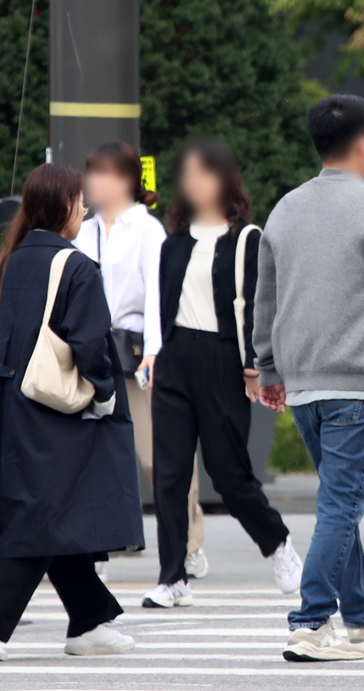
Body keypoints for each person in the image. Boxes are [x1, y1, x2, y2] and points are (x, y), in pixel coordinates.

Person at [0, 163, 144, 661]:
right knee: (50, 513)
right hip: (55, 414)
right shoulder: (75, 266)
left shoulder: (6, 264)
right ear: (65, 208)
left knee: (55, 510)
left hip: (2, 411)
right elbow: (92, 348)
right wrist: (104, 397)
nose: (83, 211)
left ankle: (90, 620)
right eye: (80, 203)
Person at [254, 95, 364, 662]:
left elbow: (265, 298)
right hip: (354, 380)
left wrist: (268, 368)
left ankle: (363, 619)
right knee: (342, 507)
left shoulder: (285, 209)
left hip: (301, 380)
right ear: (363, 142)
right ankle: (309, 620)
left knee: (337, 504)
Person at [143, 139, 302, 609]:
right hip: (174, 361)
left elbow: (256, 304)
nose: (192, 182)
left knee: (229, 474)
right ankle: (172, 576)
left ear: (224, 179)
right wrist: (156, 353)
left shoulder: (247, 238)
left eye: (203, 173)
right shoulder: (173, 243)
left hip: (223, 360)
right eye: (187, 174)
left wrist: (255, 368)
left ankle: (277, 545)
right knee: (168, 475)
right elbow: (162, 306)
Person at [74, 142, 204, 580]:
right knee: (95, 454)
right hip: (90, 350)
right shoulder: (84, 230)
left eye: (103, 174)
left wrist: (154, 351)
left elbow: (158, 295)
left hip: (136, 351)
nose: (93, 183)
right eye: (91, 173)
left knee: (157, 455)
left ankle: (189, 541)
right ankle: (97, 550)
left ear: (126, 181)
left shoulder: (148, 231)